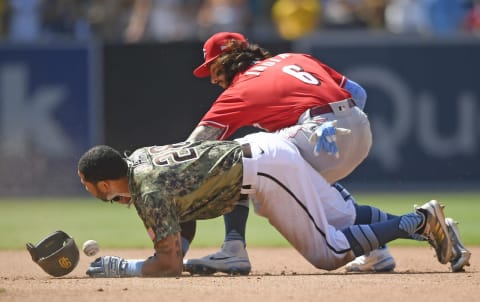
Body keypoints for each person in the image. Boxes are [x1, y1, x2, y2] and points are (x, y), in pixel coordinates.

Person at [77, 132, 470, 277]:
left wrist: (121, 266)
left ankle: (418, 221)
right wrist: (177, 247)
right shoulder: (143, 157)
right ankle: (440, 232)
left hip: (263, 169)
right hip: (265, 149)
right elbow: (184, 217)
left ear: (108, 182)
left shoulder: (146, 191)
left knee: (329, 252)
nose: (93, 194)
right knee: (344, 217)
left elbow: (167, 265)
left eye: (93, 188)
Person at [182, 31, 386, 275]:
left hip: (318, 131)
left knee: (242, 159)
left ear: (227, 61)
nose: (213, 79)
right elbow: (359, 93)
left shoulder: (239, 91)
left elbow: (194, 146)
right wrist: (343, 127)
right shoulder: (294, 58)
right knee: (328, 203)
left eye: (213, 69)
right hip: (359, 128)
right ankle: (392, 242)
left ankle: (233, 249)